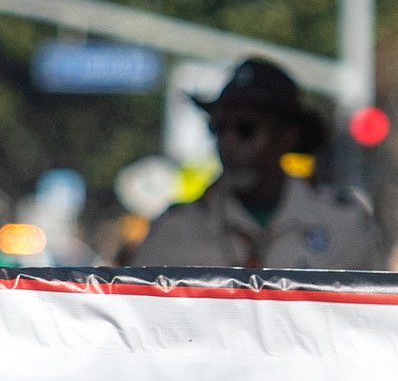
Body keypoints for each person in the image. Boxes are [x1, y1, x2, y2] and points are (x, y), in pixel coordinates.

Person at [134, 58, 382, 271]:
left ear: (287, 136)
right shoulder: (174, 232)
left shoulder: (344, 225)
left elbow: (369, 319)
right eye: (219, 128)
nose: (228, 143)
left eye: (245, 128)